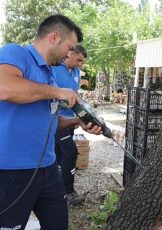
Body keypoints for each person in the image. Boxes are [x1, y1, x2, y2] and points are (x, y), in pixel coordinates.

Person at [0, 14, 101, 229]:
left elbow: (49, 122)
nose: (70, 54)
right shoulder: (16, 53)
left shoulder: (50, 74)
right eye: (70, 47)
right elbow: (5, 88)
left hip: (48, 169)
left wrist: (77, 121)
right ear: (54, 37)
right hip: (11, 173)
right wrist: (58, 92)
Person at [53, 44, 87, 205]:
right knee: (70, 152)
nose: (80, 64)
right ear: (71, 54)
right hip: (55, 121)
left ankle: (56, 189)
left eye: (82, 62)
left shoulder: (76, 73)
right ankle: (68, 192)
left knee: (59, 156)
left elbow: (75, 96)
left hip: (70, 121)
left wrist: (80, 114)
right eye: (79, 60)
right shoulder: (54, 68)